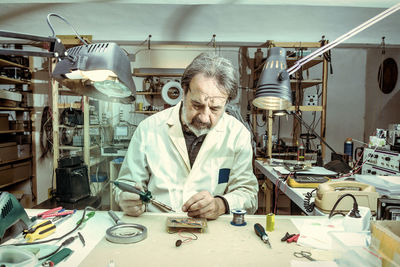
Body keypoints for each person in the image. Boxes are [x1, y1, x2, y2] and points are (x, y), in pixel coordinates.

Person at [114, 52, 258, 219]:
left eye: (215, 109)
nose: (204, 117)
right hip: (157, 228)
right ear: (184, 91)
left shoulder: (237, 134)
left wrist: (221, 204)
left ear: (226, 102)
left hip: (212, 232)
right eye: (197, 105)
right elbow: (125, 186)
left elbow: (249, 194)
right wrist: (126, 199)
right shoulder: (149, 129)